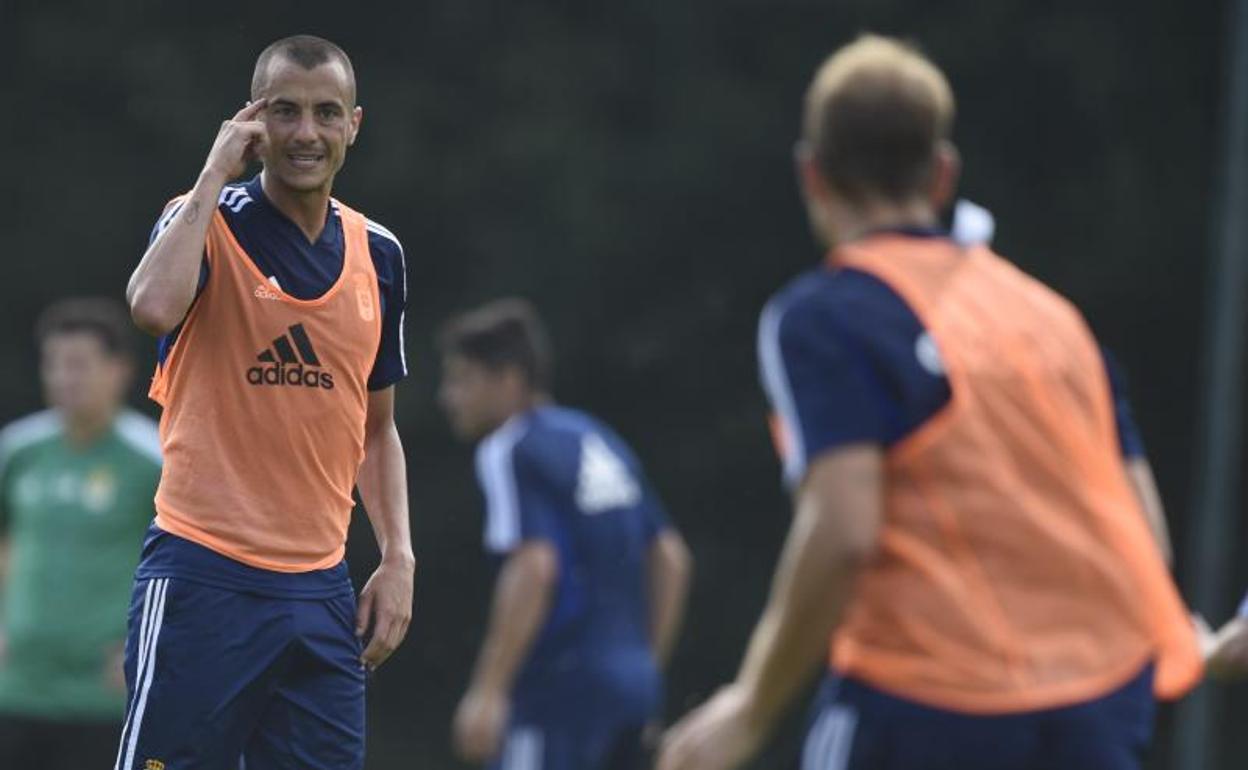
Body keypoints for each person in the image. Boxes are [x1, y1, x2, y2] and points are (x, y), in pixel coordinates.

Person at [657, 34, 1201, 770]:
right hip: (1095, 709)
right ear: (943, 175)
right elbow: (1142, 537)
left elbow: (844, 529)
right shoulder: (1053, 319)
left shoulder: (827, 315)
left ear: (810, 174)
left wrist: (752, 706)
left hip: (927, 702)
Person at [118, 34, 414, 770]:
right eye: (284, 112)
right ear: (252, 120)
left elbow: (376, 430)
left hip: (320, 594)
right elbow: (152, 308)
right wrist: (215, 172)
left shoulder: (379, 254)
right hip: (202, 576)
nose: (304, 134)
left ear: (353, 125)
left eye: (324, 113)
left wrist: (399, 555)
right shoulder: (204, 219)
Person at [438, 299, 692, 770]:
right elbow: (671, 555)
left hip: (558, 691)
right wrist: (643, 665)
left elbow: (534, 565)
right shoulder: (595, 437)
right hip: (632, 685)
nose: (448, 397)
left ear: (508, 379)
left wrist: (488, 690)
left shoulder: (510, 447)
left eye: (462, 379)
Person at [0, 299, 160, 770]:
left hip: (103, 691)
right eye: (54, 364)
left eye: (79, 365)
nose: (65, 378)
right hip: (19, 685)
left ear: (119, 370)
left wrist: (146, 647)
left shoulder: (152, 461)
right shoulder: (19, 450)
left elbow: (184, 565)